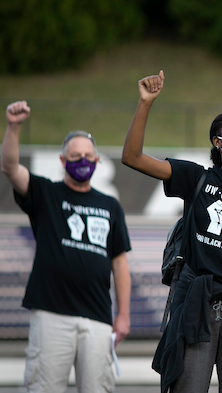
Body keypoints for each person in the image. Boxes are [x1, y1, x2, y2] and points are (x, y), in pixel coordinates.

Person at [122, 70, 222, 393]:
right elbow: (132, 157)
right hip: (197, 303)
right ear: (218, 141)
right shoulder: (198, 179)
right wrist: (145, 103)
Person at [1, 102, 132, 393]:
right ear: (62, 161)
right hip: (51, 314)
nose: (82, 160)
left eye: (87, 155)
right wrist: (13, 126)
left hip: (97, 318)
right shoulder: (45, 193)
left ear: (97, 160)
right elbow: (10, 167)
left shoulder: (110, 205)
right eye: (75, 156)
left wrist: (123, 314)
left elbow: (120, 263)